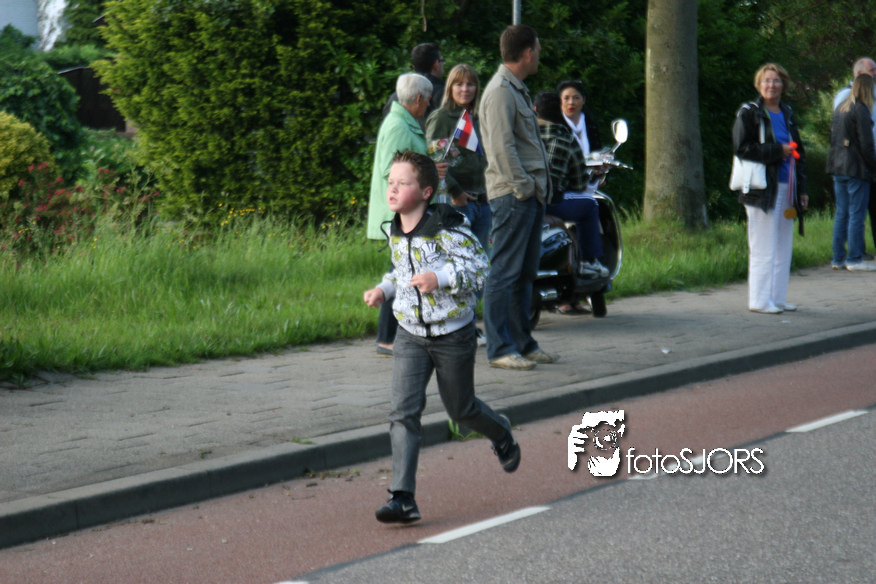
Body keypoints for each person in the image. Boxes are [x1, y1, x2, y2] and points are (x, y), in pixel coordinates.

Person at [363, 150, 521, 524]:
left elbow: (479, 269)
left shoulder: (447, 226)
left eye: (403, 183)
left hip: (453, 335)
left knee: (461, 411)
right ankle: (402, 497)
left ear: (426, 192)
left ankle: (500, 432)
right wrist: (384, 289)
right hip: (410, 335)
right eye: (390, 182)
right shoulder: (395, 228)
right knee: (403, 411)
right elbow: (401, 272)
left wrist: (441, 278)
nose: (393, 189)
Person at [478, 24, 557, 370]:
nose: (539, 54)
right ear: (527, 53)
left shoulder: (516, 89)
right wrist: (524, 187)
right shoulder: (500, 92)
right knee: (504, 273)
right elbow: (501, 149)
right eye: (537, 49)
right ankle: (500, 349)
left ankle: (522, 343)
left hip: (528, 195)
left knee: (524, 274)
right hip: (514, 196)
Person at [732, 63, 809, 314]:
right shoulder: (749, 112)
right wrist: (778, 151)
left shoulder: (787, 113)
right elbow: (742, 148)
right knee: (763, 246)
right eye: (766, 80)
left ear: (783, 85)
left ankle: (777, 298)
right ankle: (759, 300)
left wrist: (802, 190)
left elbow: (799, 154)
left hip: (788, 186)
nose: (771, 85)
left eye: (776, 81)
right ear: (758, 85)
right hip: (762, 189)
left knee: (783, 247)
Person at [367, 73, 434, 356]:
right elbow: (390, 170)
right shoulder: (398, 125)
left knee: (403, 269)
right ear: (418, 98)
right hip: (398, 212)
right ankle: (387, 338)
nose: (429, 105)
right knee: (401, 271)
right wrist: (427, 171)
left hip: (404, 210)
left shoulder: (402, 122)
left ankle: (393, 336)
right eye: (428, 100)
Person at [426, 64, 490, 343]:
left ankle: (468, 323)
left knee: (478, 267)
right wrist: (456, 192)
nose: (465, 89)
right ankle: (459, 326)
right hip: (458, 203)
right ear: (450, 87)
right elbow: (436, 159)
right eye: (459, 84)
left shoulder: (479, 117)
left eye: (470, 84)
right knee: (458, 266)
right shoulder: (442, 117)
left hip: (484, 201)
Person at [534, 90, 608, 314]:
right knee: (590, 205)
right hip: (552, 201)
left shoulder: (523, 135)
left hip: (523, 200)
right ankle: (588, 261)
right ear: (559, 110)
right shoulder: (565, 136)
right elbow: (578, 182)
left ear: (534, 110)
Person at [827, 74, 876, 271]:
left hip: (838, 167)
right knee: (857, 214)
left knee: (842, 213)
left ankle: (837, 258)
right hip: (856, 168)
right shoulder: (861, 110)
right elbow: (866, 144)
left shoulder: (841, 108)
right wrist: (873, 166)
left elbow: (832, 138)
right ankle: (855, 258)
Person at [382, 42, 446, 122]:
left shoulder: (396, 97)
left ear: (413, 66)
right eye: (442, 61)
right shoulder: (444, 95)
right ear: (436, 64)